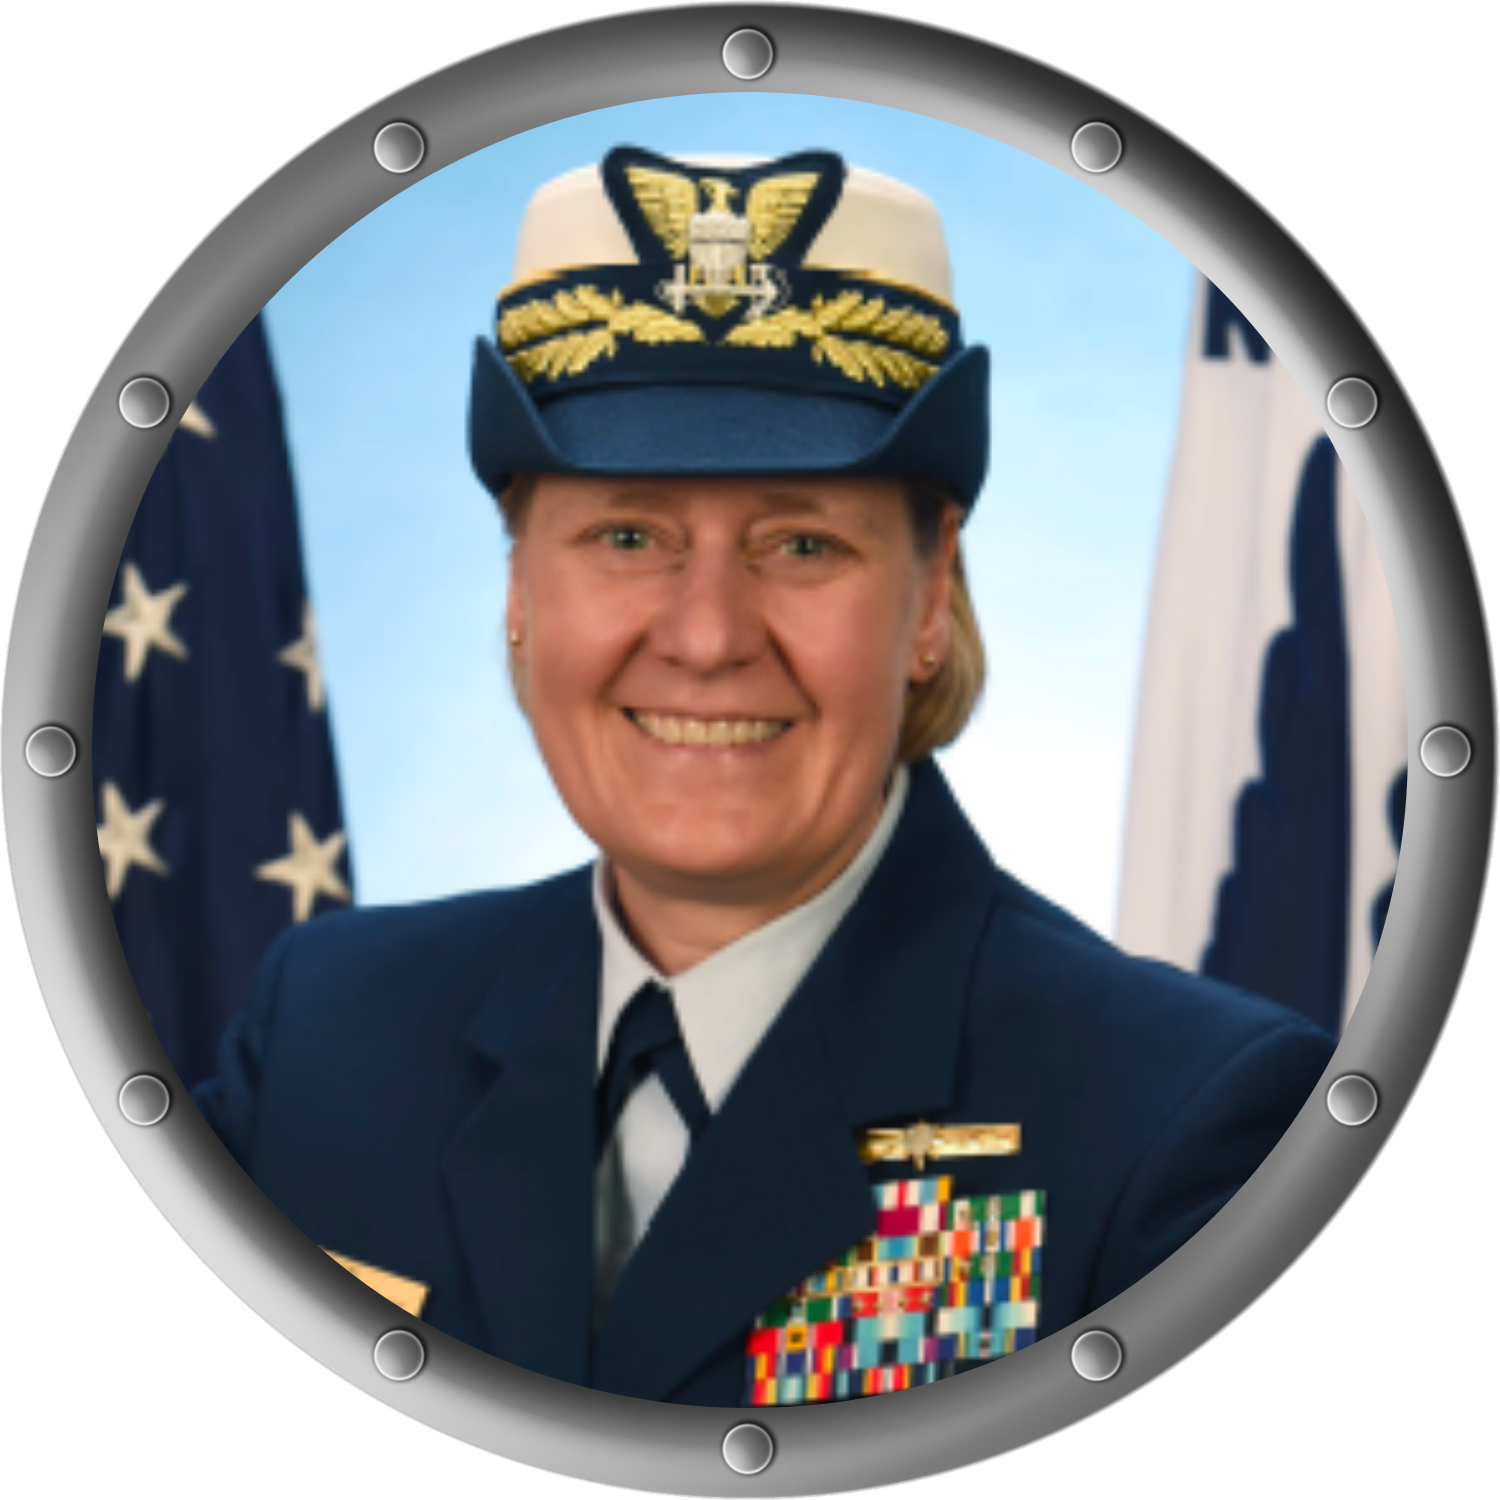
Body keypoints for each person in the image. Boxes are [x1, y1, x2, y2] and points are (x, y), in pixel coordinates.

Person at [194, 145, 1336, 1408]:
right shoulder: (326, 1039)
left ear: (929, 598)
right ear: (520, 585)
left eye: (802, 544)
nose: (706, 637)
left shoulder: (1182, 1122)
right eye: (627, 534)